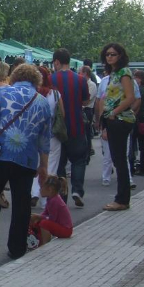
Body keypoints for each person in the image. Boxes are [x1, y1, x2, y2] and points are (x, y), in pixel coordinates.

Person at [0, 64, 51, 259]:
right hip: (27, 158)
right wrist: (43, 166)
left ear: (13, 77)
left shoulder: (1, 93)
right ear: (36, 81)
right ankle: (17, 248)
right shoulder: (42, 102)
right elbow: (44, 139)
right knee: (22, 203)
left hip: (0, 154)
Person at [97, 43, 136, 212]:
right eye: (107, 54)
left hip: (120, 119)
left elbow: (130, 97)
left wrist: (114, 112)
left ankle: (122, 199)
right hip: (112, 119)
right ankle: (121, 198)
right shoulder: (113, 74)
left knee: (119, 160)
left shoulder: (124, 73)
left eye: (113, 54)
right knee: (117, 159)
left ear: (120, 55)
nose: (109, 57)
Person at [50, 48, 89, 207]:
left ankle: (62, 194)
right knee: (78, 160)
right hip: (76, 125)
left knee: (60, 163)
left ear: (57, 62)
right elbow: (86, 101)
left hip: (57, 128)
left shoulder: (50, 79)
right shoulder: (80, 80)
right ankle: (77, 190)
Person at [31, 66, 65, 207]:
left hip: (35, 134)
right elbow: (62, 113)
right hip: (52, 134)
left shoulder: (32, 93)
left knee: (35, 164)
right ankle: (47, 198)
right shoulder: (55, 94)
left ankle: (34, 192)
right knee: (51, 165)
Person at [29, 175, 73, 248]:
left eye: (41, 187)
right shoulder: (50, 199)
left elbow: (52, 219)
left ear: (50, 189)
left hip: (66, 230)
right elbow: (45, 213)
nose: (39, 190)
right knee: (38, 222)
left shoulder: (55, 201)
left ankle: (45, 243)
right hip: (63, 228)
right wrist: (37, 218)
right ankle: (38, 241)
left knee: (44, 223)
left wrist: (38, 217)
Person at [131, 70, 144, 176]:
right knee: (143, 145)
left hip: (137, 119)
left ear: (140, 79)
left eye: (136, 77)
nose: (134, 79)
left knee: (132, 143)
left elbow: (136, 105)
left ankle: (131, 168)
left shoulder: (138, 90)